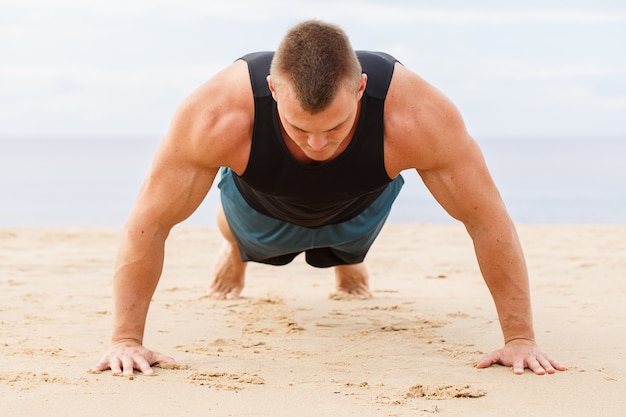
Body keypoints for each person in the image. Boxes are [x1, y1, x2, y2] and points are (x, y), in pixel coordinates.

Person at [92, 20, 565, 377]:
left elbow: (487, 219)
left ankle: (344, 258)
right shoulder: (217, 114)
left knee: (347, 245)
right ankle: (236, 250)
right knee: (251, 239)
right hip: (261, 205)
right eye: (299, 128)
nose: (317, 145)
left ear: (361, 88)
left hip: (360, 202)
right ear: (272, 90)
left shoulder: (416, 115)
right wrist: (125, 339)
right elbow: (149, 222)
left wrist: (519, 338)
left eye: (335, 127)